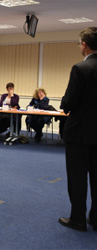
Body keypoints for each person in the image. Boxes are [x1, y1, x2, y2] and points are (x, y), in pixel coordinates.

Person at [58, 27, 97, 232]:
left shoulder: (80, 69)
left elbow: (69, 102)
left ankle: (78, 219)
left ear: (84, 44)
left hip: (80, 133)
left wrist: (65, 103)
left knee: (78, 178)